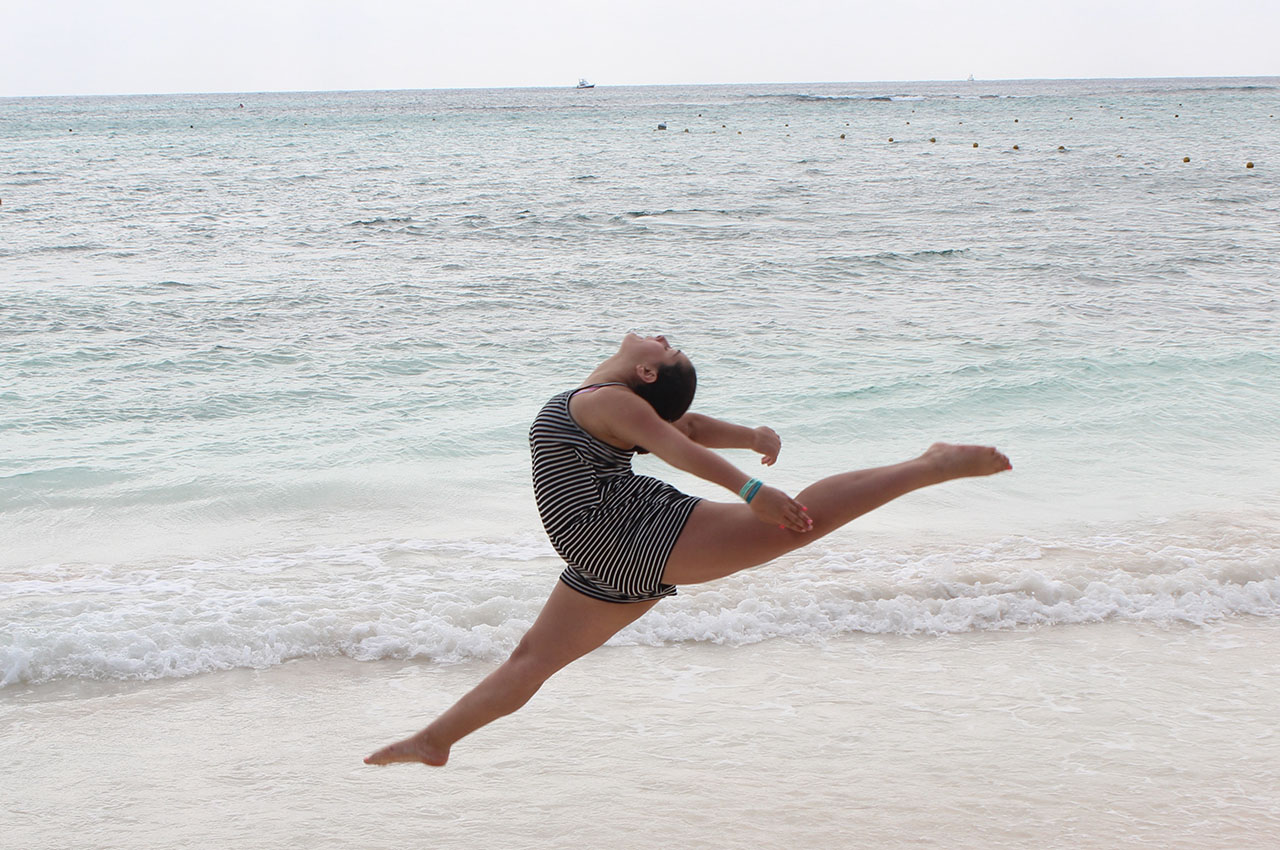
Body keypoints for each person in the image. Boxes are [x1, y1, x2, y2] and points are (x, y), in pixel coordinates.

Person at [365, 333, 1011, 767]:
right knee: (530, 660)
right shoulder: (609, 403)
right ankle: (435, 740)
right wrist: (750, 433)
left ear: (645, 373)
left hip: (621, 534)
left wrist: (752, 486)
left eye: (666, 349)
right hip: (601, 555)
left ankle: (931, 465)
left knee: (792, 523)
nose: (665, 339)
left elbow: (677, 444)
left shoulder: (608, 400)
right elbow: (690, 429)